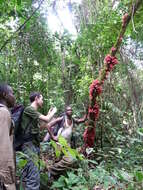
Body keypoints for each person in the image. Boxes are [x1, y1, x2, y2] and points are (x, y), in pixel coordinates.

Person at [20, 92, 57, 190]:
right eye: (42, 99)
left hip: (33, 144)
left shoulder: (33, 113)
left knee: (30, 171)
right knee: (33, 175)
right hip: (28, 145)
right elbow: (46, 118)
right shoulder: (29, 109)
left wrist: (49, 115)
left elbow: (41, 127)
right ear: (36, 98)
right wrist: (53, 112)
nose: (43, 101)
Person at [44, 106, 87, 176]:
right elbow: (48, 125)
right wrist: (53, 137)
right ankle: (52, 173)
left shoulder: (73, 120)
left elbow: (81, 120)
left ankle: (52, 171)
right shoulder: (62, 119)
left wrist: (87, 112)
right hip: (59, 143)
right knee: (59, 159)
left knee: (68, 159)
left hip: (67, 144)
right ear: (65, 112)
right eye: (68, 110)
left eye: (71, 110)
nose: (69, 111)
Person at [0, 83, 16, 190]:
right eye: (12, 93)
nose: (14, 97)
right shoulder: (4, 113)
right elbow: (3, 145)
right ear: (5, 95)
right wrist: (6, 176)